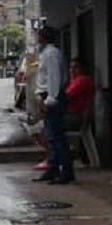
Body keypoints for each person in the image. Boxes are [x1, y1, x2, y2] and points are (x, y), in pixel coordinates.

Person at [33, 57, 95, 171]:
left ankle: (54, 158)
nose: (72, 70)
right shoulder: (73, 81)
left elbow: (65, 97)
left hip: (75, 116)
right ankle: (55, 156)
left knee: (45, 128)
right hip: (70, 114)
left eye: (76, 67)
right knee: (43, 126)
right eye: (71, 67)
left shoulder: (82, 81)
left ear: (83, 69)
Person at [34, 27, 72, 184]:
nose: (37, 39)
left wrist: (50, 100)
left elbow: (54, 78)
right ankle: (53, 168)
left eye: (38, 36)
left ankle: (66, 171)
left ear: (43, 37)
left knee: (57, 137)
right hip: (49, 97)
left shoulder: (51, 54)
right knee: (51, 136)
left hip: (53, 98)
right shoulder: (47, 53)